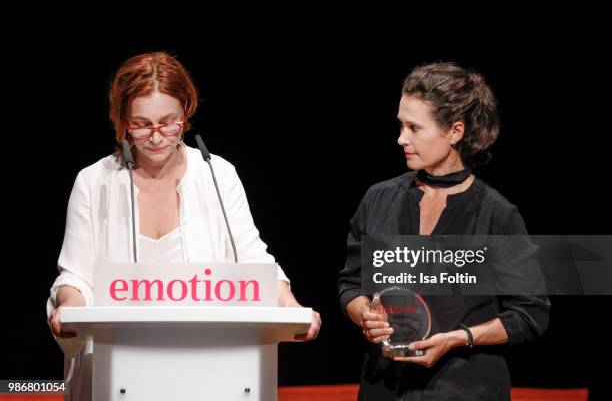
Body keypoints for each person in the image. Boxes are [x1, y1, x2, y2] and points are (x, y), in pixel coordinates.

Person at [46, 51, 321, 401]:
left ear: (186, 111)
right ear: (122, 119)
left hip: (208, 366)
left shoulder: (218, 175)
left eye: (168, 121)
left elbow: (252, 258)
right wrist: (69, 308)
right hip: (119, 370)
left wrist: (293, 309)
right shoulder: (94, 181)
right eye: (142, 124)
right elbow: (75, 276)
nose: (156, 136)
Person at [338, 62, 550, 400]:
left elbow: (530, 314)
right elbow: (350, 284)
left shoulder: (497, 214)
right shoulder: (378, 199)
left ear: (455, 132)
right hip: (384, 387)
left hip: (465, 388)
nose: (401, 138)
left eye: (414, 128)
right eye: (400, 125)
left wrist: (456, 338)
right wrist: (364, 313)